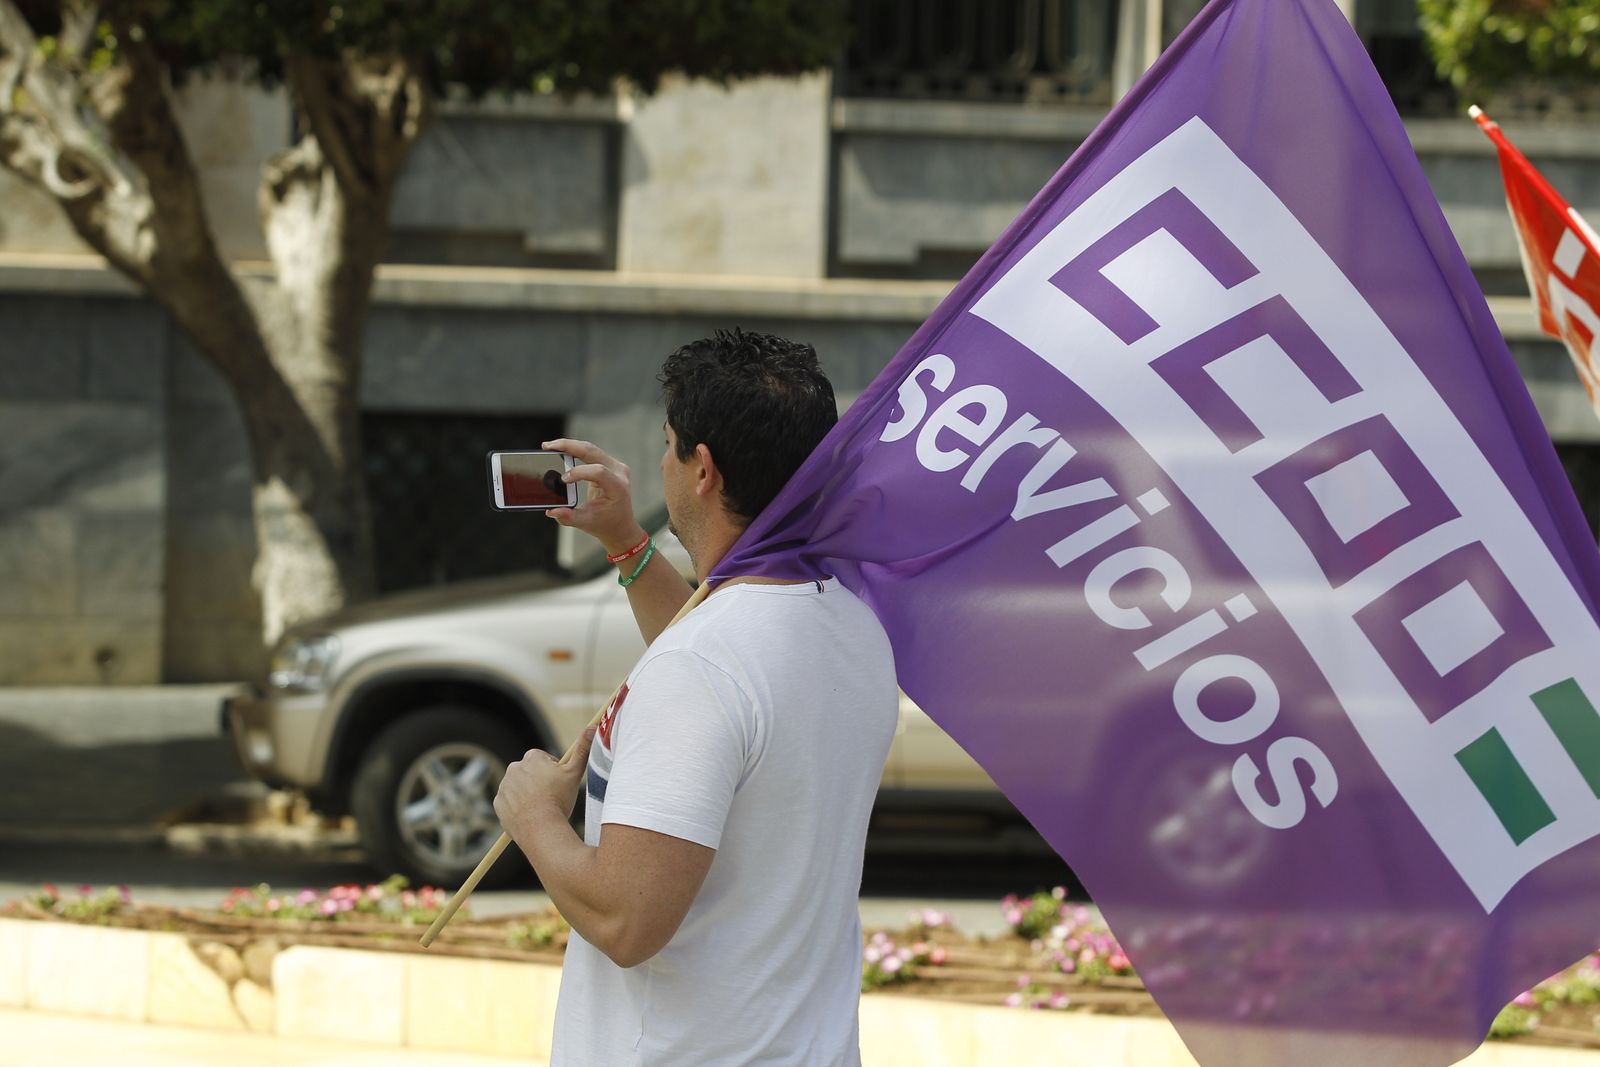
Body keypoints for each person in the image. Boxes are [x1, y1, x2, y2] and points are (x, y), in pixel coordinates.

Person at [493, 328, 899, 1066]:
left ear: (703, 469)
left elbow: (625, 921)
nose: (660, 462)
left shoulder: (703, 666)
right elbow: (722, 658)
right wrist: (626, 543)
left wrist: (532, 818)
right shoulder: (851, 623)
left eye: (669, 442)